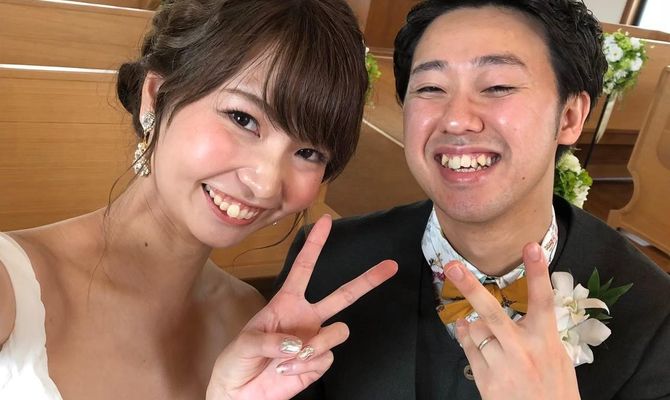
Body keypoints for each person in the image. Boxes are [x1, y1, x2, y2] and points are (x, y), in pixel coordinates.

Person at [0, 0, 397, 399]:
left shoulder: (249, 321)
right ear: (155, 97)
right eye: (243, 119)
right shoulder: (10, 290)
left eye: (308, 153)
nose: (265, 184)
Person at [278, 0, 670, 399]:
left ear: (569, 117)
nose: (456, 119)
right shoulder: (328, 264)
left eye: (497, 86)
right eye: (431, 88)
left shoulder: (656, 319)